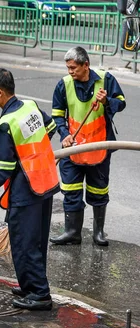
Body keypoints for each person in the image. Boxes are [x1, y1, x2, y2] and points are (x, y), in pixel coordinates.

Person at [0, 68, 59, 311]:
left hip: (26, 190)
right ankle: (30, 285)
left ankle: (40, 295)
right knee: (37, 240)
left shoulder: (4, 124)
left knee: (24, 243)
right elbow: (50, 128)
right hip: (45, 182)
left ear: (0, 92)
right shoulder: (30, 106)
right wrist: (34, 156)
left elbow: (3, 169)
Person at [50, 46, 126, 247]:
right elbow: (57, 115)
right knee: (71, 190)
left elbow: (121, 102)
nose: (70, 72)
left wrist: (107, 101)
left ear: (86, 65)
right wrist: (65, 135)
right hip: (73, 148)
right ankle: (72, 232)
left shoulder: (105, 79)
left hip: (99, 146)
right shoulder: (63, 85)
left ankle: (98, 233)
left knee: (98, 190)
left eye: (74, 67)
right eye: (68, 68)